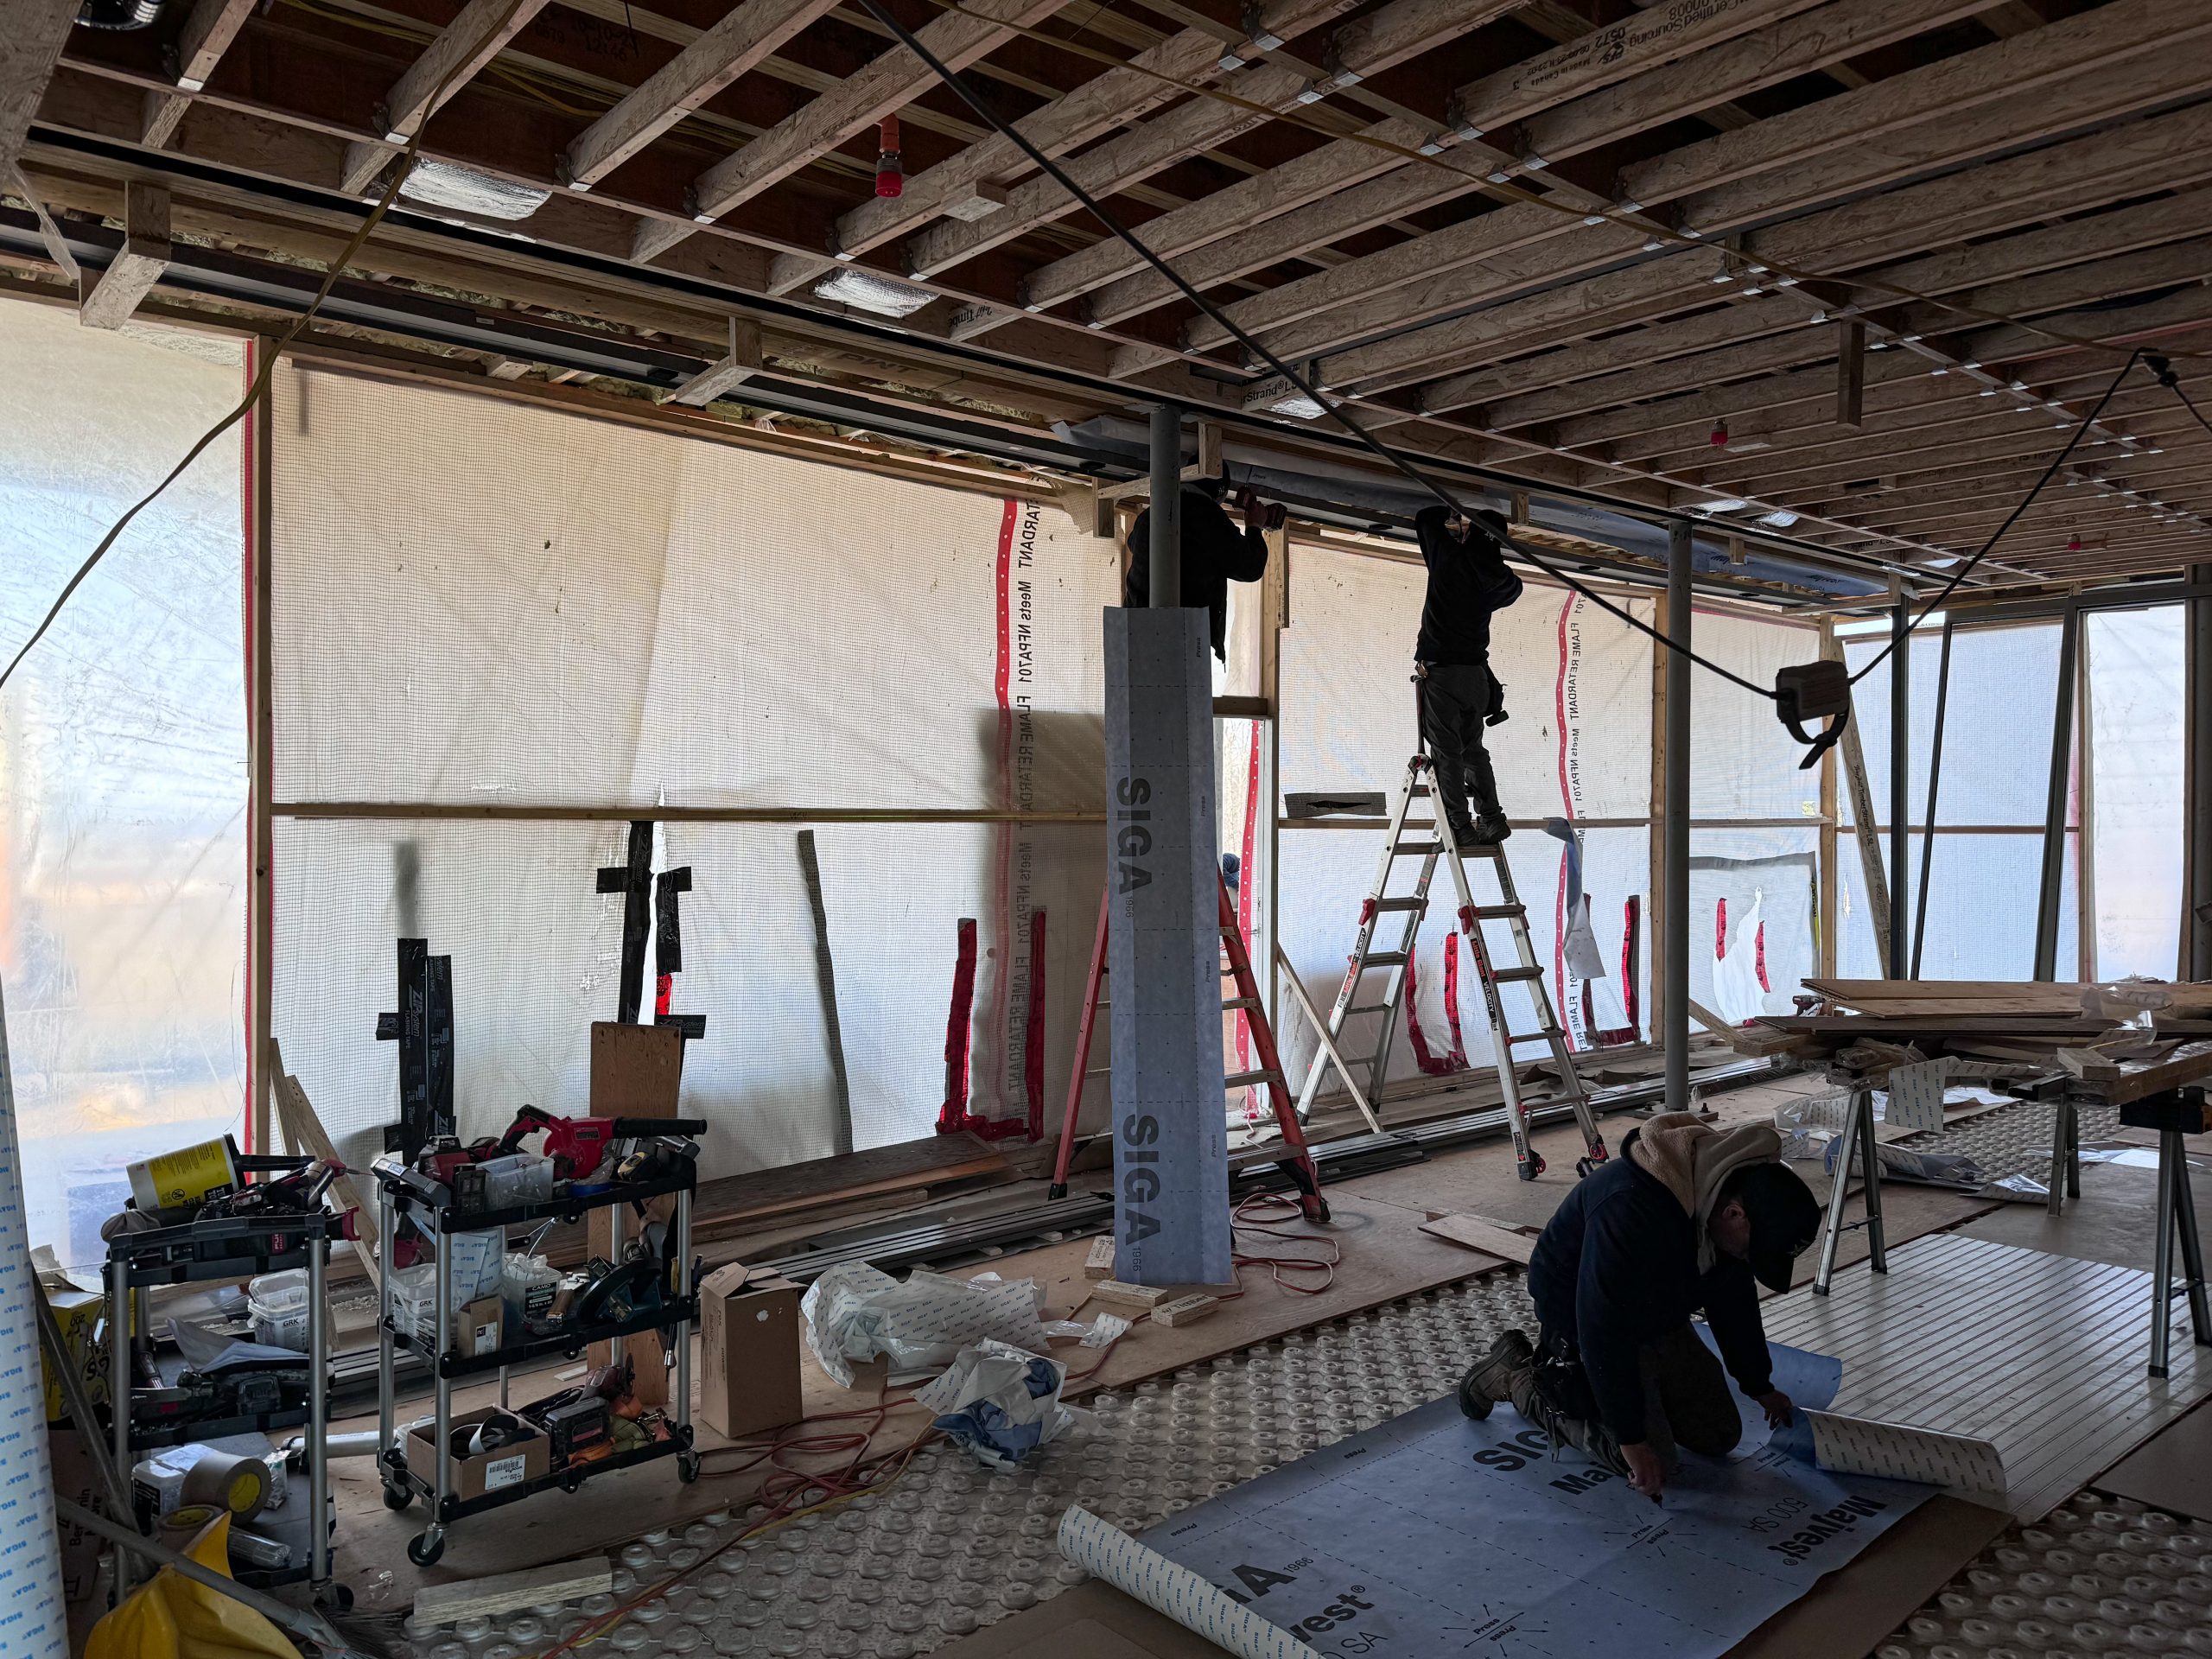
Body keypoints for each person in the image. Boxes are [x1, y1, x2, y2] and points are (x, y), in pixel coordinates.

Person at [1456, 1113, 1822, 1500]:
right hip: (1582, 1316)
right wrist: (1630, 1439)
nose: (1748, 1260)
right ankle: (1517, 1377)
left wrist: (1758, 1384)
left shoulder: (1724, 1196)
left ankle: (1647, 1390)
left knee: (1719, 1435)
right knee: (1651, 1461)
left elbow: (1734, 1302)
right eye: (1752, 1251)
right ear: (1734, 1215)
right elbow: (1601, 1327)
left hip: (1655, 1310)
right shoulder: (1631, 1205)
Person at [1413, 505, 1521, 848]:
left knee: (1447, 752)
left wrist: (1451, 510)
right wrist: (1471, 536)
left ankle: (1459, 825)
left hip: (1442, 673)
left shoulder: (1451, 560)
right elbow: (1510, 585)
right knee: (1473, 749)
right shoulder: (1498, 577)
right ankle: (1491, 818)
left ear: (1471, 531)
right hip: (1476, 677)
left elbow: (1425, 520)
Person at [1127, 475, 1279, 662]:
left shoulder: (1148, 515)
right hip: (1182, 636)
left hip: (1133, 628)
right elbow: (1250, 566)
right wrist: (1254, 526)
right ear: (1219, 496)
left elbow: (1132, 542)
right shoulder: (1209, 517)